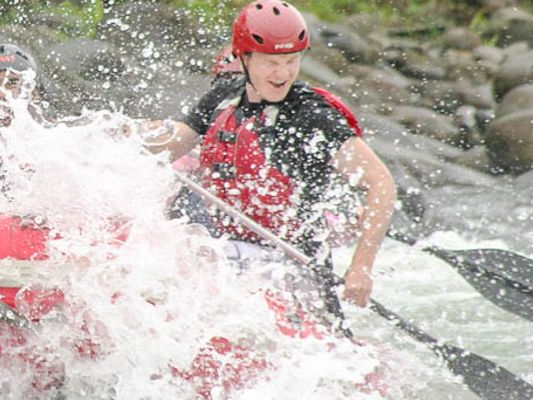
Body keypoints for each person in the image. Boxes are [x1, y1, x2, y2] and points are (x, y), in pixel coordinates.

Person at [136, 0, 397, 321]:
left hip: (293, 266)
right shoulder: (224, 97)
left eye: (291, 61)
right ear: (244, 57)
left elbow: (381, 184)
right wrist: (116, 136)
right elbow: (175, 143)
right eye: (271, 62)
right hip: (226, 249)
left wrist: (360, 269)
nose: (282, 73)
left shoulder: (312, 116)